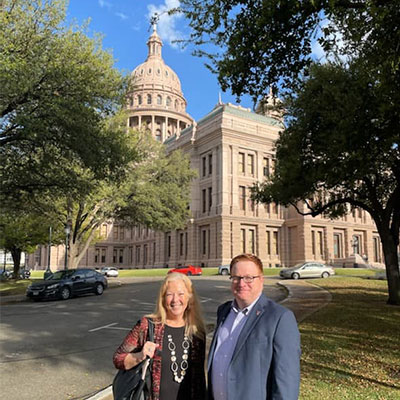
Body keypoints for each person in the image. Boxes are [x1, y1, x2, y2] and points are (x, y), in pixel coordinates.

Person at [208, 254, 301, 400]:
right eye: (236, 277)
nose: (241, 283)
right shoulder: (224, 311)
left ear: (261, 280)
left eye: (249, 278)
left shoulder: (279, 318)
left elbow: (286, 381)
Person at [113, 272, 206, 400]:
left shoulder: (197, 332)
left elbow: (199, 378)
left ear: (190, 298)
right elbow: (118, 359)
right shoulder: (147, 326)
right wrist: (140, 356)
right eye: (169, 294)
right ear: (162, 299)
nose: (175, 300)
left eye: (181, 294)